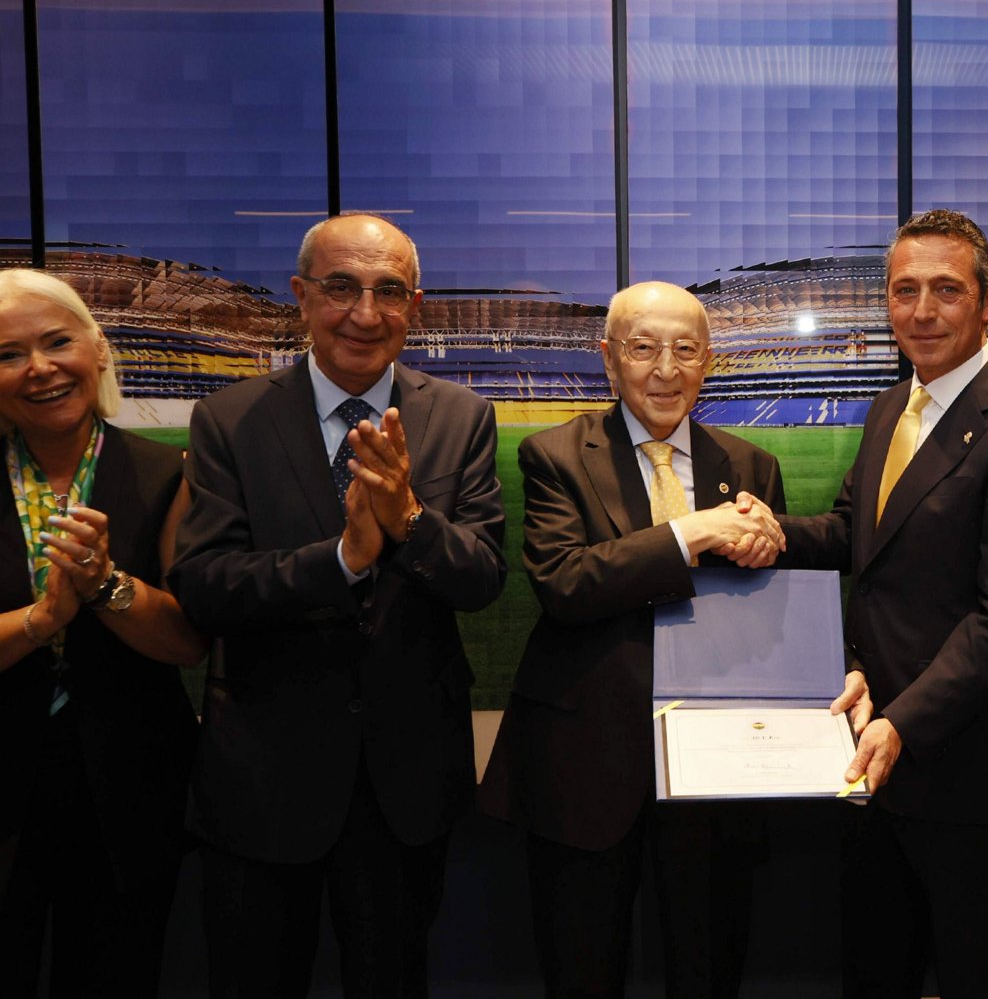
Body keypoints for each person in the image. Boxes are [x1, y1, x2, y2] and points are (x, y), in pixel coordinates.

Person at [169, 214, 507, 997]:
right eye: (341, 288)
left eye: (389, 291)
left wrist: (411, 524)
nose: (365, 313)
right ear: (301, 297)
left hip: (406, 782)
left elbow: (483, 579)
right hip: (263, 779)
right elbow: (205, 586)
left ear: (414, 305)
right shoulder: (229, 420)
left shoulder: (461, 417)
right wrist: (345, 560)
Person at [778, 209, 988, 998]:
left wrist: (901, 722)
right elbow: (857, 537)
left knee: (976, 977)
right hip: (872, 761)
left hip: (964, 774)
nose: (921, 310)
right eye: (904, 290)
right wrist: (761, 533)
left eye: (945, 290)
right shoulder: (893, 407)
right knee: (875, 972)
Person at [478, 280, 784, 998]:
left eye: (685, 350)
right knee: (582, 972)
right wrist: (690, 534)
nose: (665, 369)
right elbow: (565, 584)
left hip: (716, 771)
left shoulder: (749, 467)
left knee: (708, 970)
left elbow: (764, 611)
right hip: (582, 769)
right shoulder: (555, 456)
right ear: (610, 360)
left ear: (709, 361)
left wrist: (768, 545)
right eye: (644, 349)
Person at [0, 269, 207, 997]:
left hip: (131, 791)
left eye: (58, 343)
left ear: (98, 350)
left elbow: (192, 642)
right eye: (9, 354)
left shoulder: (166, 474)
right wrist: (42, 620)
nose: (41, 369)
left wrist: (107, 589)